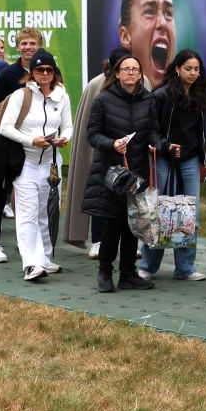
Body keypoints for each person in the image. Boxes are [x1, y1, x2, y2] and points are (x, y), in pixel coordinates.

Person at [139, 49, 206, 282]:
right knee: (158, 211)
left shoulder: (201, 96)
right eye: (188, 69)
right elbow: (150, 130)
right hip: (163, 159)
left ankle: (184, 268)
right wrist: (165, 146)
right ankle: (147, 267)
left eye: (197, 69)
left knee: (189, 213)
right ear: (177, 69)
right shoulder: (161, 95)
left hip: (190, 160)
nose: (193, 73)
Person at [83, 52, 157, 292]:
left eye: (135, 69)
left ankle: (128, 274)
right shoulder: (103, 100)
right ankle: (105, 273)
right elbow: (92, 134)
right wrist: (112, 144)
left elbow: (153, 132)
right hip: (112, 174)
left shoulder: (149, 100)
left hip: (138, 172)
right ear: (116, 73)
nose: (131, 74)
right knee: (113, 225)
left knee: (132, 226)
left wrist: (159, 144)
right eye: (126, 69)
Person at [0, 50, 73, 281]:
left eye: (48, 70)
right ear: (32, 73)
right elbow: (5, 127)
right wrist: (32, 140)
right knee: (27, 214)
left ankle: (45, 259)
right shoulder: (21, 95)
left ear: (54, 73)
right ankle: (31, 263)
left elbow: (68, 126)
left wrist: (64, 139)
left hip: (51, 163)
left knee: (46, 213)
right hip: (25, 163)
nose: (44, 73)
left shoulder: (62, 96)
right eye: (39, 70)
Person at [66, 48, 130, 259]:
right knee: (101, 196)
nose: (128, 72)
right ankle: (97, 240)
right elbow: (90, 128)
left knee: (131, 197)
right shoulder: (97, 85)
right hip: (103, 151)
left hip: (131, 153)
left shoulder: (141, 82)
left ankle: (130, 242)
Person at [117, 0, 177, 90]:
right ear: (125, 36)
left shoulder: (188, 102)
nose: (163, 23)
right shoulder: (106, 99)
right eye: (150, 11)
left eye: (168, 13)